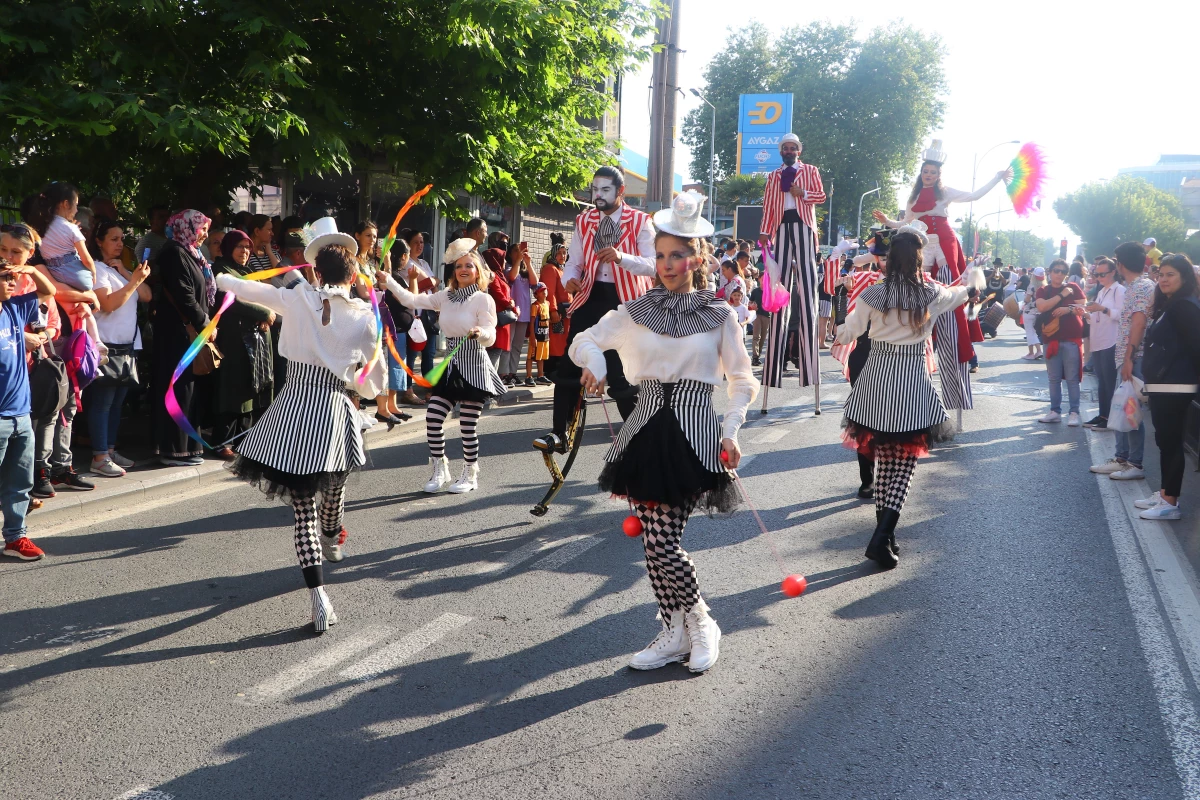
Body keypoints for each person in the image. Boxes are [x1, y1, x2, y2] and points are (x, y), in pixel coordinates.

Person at [569, 192, 757, 673]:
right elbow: (584, 339)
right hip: (641, 436)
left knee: (660, 542)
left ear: (697, 258)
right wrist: (594, 364)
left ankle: (702, 622)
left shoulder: (720, 314)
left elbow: (741, 379)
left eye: (677, 255)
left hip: (693, 439)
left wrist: (732, 429)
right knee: (654, 540)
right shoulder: (635, 310)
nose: (667, 264)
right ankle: (674, 629)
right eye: (660, 255)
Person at [219, 234, 383, 633]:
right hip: (332, 410)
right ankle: (332, 537)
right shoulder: (365, 317)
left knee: (303, 511)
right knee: (333, 493)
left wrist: (220, 279)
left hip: (292, 409)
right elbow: (371, 385)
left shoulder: (296, 298)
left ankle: (318, 597)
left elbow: (248, 288)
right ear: (353, 274)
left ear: (315, 272)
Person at [836, 223, 980, 568]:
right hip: (912, 382)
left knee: (885, 462)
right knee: (905, 465)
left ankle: (886, 536)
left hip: (875, 380)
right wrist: (973, 276)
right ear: (919, 258)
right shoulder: (932, 293)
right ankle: (882, 535)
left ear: (889, 260)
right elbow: (963, 293)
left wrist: (840, 312)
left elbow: (846, 334)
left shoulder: (873, 294)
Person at [874, 140, 1012, 414]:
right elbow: (905, 224)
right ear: (921, 173)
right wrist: (888, 221)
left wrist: (996, 178)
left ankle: (956, 376)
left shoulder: (945, 193)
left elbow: (974, 196)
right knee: (919, 295)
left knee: (949, 301)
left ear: (938, 175)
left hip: (946, 247)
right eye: (926, 171)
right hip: (923, 248)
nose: (929, 175)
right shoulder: (913, 199)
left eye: (933, 172)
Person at [533, 166, 656, 454]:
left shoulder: (639, 221)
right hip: (589, 297)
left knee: (618, 374)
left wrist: (621, 256)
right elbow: (574, 261)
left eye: (605, 190)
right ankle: (558, 434)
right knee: (569, 367)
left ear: (621, 191)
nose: (597, 195)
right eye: (594, 190)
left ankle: (641, 437)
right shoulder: (584, 219)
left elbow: (653, 264)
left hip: (624, 302)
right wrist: (569, 279)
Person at [378, 239, 506, 494]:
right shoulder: (445, 297)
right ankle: (440, 469)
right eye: (459, 266)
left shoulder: (483, 299)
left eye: (469, 265)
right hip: (450, 367)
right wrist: (389, 280)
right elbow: (410, 299)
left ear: (477, 270)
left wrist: (480, 332)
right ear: (453, 271)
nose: (463, 269)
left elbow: (491, 334)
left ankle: (470, 474)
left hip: (474, 368)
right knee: (433, 418)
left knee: (467, 426)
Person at [757, 133, 826, 392]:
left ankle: (809, 366)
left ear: (799, 150)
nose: (789, 151)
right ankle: (774, 366)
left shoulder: (809, 170)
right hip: (781, 227)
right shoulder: (774, 176)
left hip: (805, 226)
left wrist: (803, 192)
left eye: (792, 147)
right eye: (785, 148)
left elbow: (820, 197)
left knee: (807, 286)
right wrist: (765, 230)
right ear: (781, 151)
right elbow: (768, 206)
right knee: (781, 283)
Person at [1136, 254, 1200, 520]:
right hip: (1166, 383)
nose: (1163, 279)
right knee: (1165, 440)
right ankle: (1165, 492)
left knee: (1171, 441)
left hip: (1176, 384)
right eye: (1161, 274)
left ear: (1184, 277)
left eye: (1170, 274)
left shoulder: (1185, 306)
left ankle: (1170, 502)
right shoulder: (1174, 304)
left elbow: (1196, 347)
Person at [0, 255, 56, 560]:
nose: (12, 282)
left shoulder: (13, 307)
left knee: (20, 482)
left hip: (21, 414)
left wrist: (32, 269)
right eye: (5, 277)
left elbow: (49, 292)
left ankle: (15, 538)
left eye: (12, 277)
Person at [88, 220, 152, 477]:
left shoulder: (119, 270)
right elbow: (108, 304)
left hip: (128, 345)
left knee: (117, 403)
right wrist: (133, 281)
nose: (119, 243)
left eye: (121, 239)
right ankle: (99, 454)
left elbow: (147, 295)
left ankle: (109, 449)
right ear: (99, 241)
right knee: (102, 402)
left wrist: (127, 273)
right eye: (113, 239)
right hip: (107, 344)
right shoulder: (97, 269)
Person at [151, 210, 214, 467]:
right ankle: (173, 449)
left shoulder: (190, 253)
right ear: (186, 227)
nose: (205, 235)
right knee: (179, 388)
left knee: (189, 388)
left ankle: (188, 447)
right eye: (201, 229)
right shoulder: (174, 252)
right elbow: (183, 293)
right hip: (175, 332)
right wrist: (204, 322)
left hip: (188, 332)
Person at [209, 230, 276, 458]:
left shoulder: (248, 272)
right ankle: (223, 441)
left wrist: (265, 315)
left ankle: (245, 439)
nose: (244, 251)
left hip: (255, 338)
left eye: (247, 247)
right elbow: (230, 300)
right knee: (232, 389)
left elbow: (263, 295)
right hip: (234, 338)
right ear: (228, 248)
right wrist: (263, 312)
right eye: (239, 247)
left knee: (251, 387)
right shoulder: (221, 270)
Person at [1092, 242, 1155, 480]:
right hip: (1127, 357)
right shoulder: (1136, 285)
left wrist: (1129, 357)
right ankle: (1121, 458)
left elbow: (1138, 323)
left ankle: (1134, 464)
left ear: (1120, 263)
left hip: (1134, 358)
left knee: (1131, 410)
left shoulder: (1141, 286)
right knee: (1121, 407)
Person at [1033, 260, 1087, 426]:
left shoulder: (1073, 287)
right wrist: (1062, 295)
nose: (1059, 274)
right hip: (1051, 339)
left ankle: (1074, 412)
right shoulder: (1044, 289)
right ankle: (1055, 411)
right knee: (1053, 379)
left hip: (1071, 339)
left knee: (1072, 379)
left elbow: (1083, 306)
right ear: (1050, 272)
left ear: (1066, 274)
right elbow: (1042, 307)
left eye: (1063, 271)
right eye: (1056, 270)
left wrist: (1068, 309)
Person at [28, 182, 97, 291]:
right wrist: (93, 272)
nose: (77, 209)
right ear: (65, 204)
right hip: (75, 275)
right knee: (89, 284)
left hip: (52, 272)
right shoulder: (71, 228)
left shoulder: (40, 227)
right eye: (76, 204)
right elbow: (86, 259)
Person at [1083, 257, 1124, 429]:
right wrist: (1085, 314)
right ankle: (1103, 415)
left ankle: (1109, 418)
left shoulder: (1119, 290)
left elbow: (1122, 315)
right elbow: (1096, 318)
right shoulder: (1102, 291)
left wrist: (1102, 309)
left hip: (1111, 341)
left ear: (1113, 272)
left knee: (1109, 382)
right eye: (1097, 274)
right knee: (1102, 382)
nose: (1099, 278)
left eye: (1102, 274)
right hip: (1099, 341)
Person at [539, 235, 572, 377]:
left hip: (565, 311)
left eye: (564, 253)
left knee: (561, 340)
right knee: (555, 340)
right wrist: (552, 310)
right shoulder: (550, 269)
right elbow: (549, 292)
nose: (562, 256)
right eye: (559, 253)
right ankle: (551, 369)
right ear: (553, 254)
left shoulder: (561, 269)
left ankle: (558, 367)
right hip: (557, 311)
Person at [502, 242, 534, 386]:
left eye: (519, 251)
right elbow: (512, 277)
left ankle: (513, 373)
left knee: (518, 345)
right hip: (512, 312)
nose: (518, 253)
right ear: (509, 254)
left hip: (524, 312)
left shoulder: (525, 270)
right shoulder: (507, 267)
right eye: (515, 251)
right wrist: (519, 260)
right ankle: (505, 373)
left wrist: (527, 262)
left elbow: (535, 281)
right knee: (509, 343)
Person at [529, 282, 551, 384]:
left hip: (545, 335)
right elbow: (532, 322)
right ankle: (529, 376)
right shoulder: (535, 306)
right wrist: (532, 336)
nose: (544, 292)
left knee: (541, 357)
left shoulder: (547, 304)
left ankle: (540, 375)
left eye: (545, 290)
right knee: (531, 356)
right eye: (541, 291)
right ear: (536, 294)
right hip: (537, 335)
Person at [1021, 267, 1046, 360]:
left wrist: (1024, 299)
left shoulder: (1032, 286)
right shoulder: (1045, 286)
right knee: (1032, 331)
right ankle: (1031, 352)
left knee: (1030, 332)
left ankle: (1037, 351)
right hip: (1039, 311)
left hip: (1029, 310)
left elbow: (1027, 299)